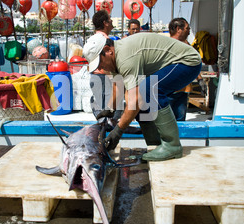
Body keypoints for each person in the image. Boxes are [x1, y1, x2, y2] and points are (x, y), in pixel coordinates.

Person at [82, 31, 202, 161]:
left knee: (149, 89)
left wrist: (118, 131)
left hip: (188, 62)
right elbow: (118, 85)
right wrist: (110, 109)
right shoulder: (114, 57)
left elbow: (134, 102)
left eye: (99, 62)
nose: (100, 67)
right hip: (172, 64)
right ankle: (156, 145)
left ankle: (172, 145)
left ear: (107, 50)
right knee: (143, 97)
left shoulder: (126, 58)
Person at [168, 18, 192, 121]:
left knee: (180, 122)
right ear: (178, 29)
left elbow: (192, 63)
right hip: (167, 92)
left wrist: (199, 79)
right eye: (187, 28)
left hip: (182, 91)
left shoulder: (186, 45)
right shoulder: (165, 45)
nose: (189, 31)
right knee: (166, 123)